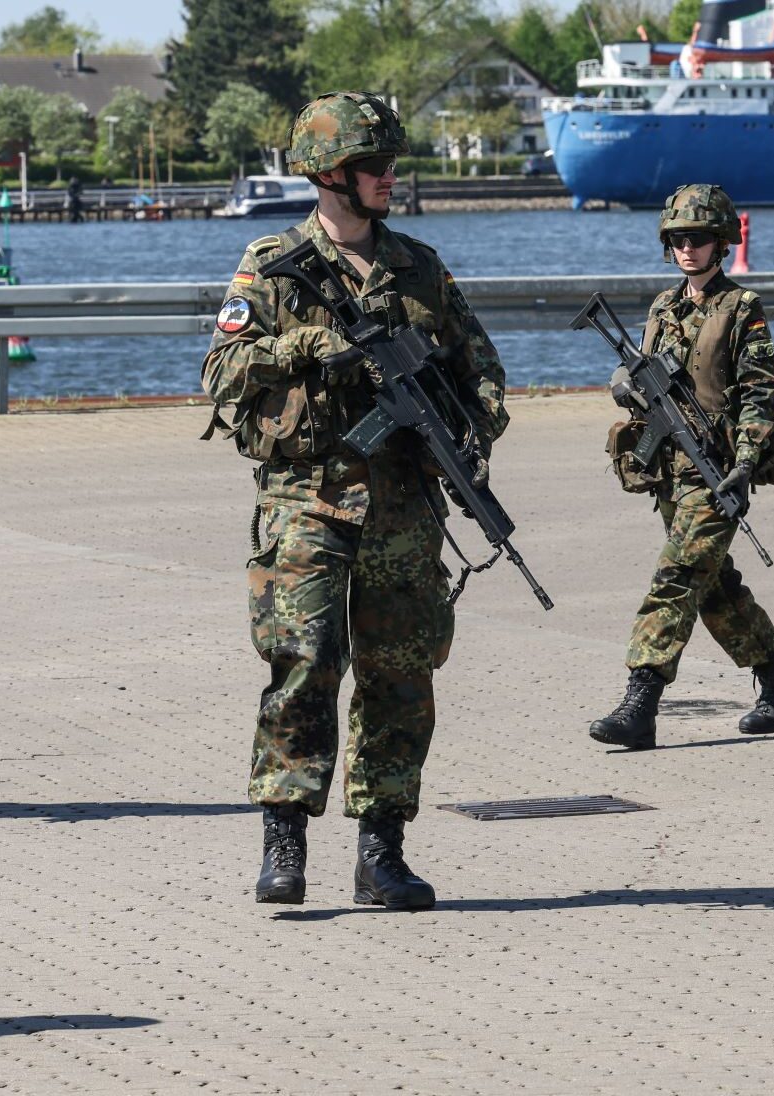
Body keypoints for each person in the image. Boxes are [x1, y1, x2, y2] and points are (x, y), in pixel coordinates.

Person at [201, 92, 510, 910]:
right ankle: (284, 840)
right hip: (306, 501)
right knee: (304, 665)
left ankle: (382, 852)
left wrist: (469, 431)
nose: (388, 177)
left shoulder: (419, 267)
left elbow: (482, 368)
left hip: (404, 507)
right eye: (372, 165)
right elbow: (220, 372)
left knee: (400, 675)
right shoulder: (273, 263)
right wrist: (307, 346)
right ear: (328, 174)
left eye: (390, 163)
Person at [588, 183, 774, 750]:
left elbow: (760, 391)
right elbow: (644, 382)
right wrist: (626, 389)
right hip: (669, 470)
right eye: (679, 239)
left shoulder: (741, 308)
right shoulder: (663, 307)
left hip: (716, 471)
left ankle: (641, 702)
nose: (688, 248)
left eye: (700, 238)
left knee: (678, 577)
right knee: (714, 588)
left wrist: (745, 461)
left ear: (721, 242)